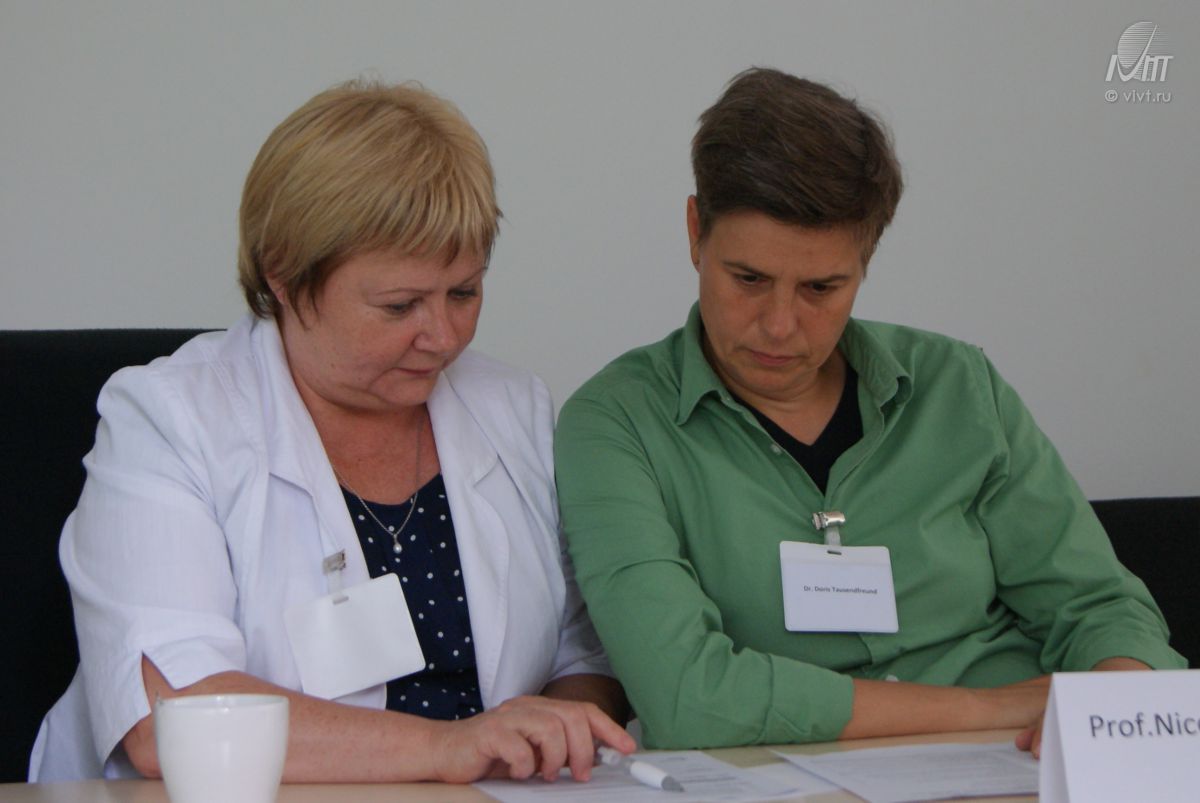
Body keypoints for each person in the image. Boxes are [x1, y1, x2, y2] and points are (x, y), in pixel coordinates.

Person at [553, 68, 1184, 755]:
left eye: (821, 287)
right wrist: (992, 707)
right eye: (749, 279)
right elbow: (687, 697)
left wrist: (1119, 706)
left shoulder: (957, 386)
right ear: (695, 232)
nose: (780, 325)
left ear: (867, 260)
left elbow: (1098, 606)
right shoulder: (615, 423)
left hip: (1024, 762)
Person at [30, 79, 633, 784]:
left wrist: (552, 732)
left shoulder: (512, 408)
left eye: (464, 293)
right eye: (400, 305)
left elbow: (582, 652)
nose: (443, 336)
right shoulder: (169, 419)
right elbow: (174, 721)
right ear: (285, 278)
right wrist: (449, 747)